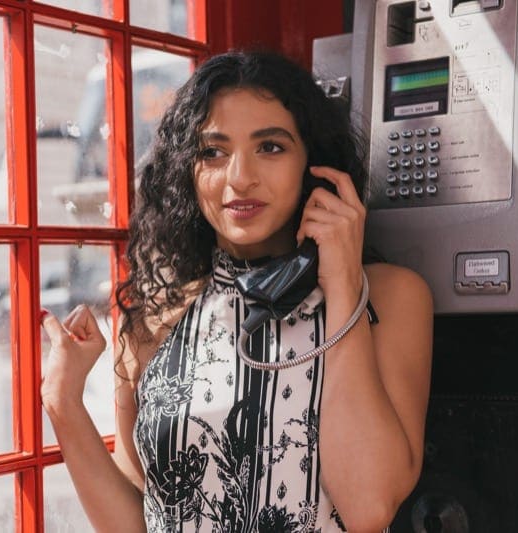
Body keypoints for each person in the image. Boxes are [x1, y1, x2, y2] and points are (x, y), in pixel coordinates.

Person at [40, 49, 433, 533]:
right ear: (188, 168)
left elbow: (369, 505)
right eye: (213, 151)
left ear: (314, 160)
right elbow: (136, 523)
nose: (239, 177)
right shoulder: (155, 312)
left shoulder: (390, 298)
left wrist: (343, 282)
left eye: (270, 147)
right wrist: (64, 404)